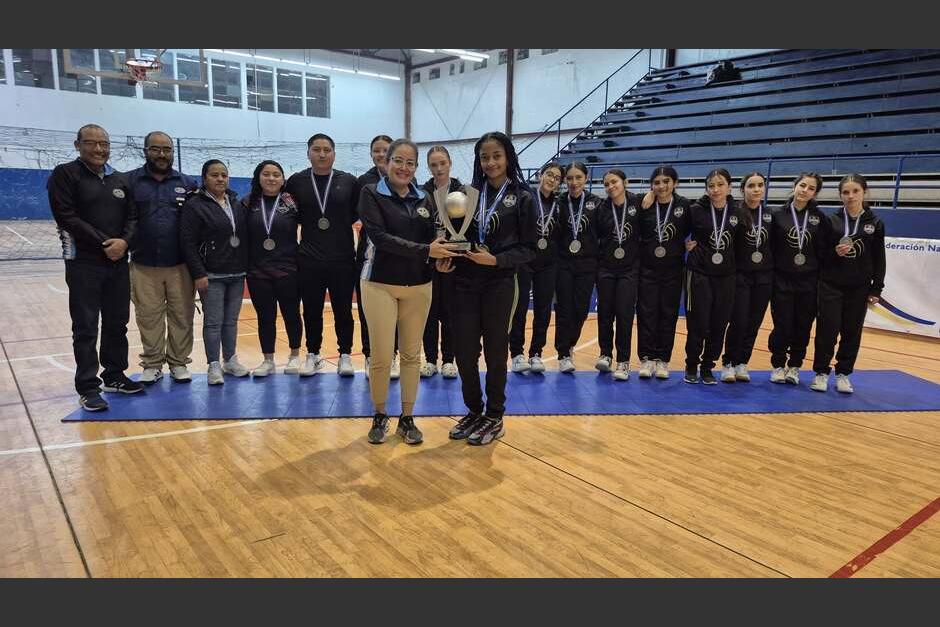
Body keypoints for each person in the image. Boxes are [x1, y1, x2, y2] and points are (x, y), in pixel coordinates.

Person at [438, 131, 537, 445]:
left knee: (496, 354)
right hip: (464, 283)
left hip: (499, 284)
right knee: (465, 353)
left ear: (507, 157)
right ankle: (474, 410)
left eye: (497, 155)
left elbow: (531, 249)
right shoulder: (466, 194)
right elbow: (456, 235)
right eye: (485, 157)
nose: (491, 162)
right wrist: (446, 256)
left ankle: (495, 415)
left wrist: (495, 260)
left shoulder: (522, 196)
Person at [358, 139, 457, 444]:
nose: (403, 167)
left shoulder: (426, 198)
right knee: (383, 356)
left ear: (416, 168)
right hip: (379, 284)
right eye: (397, 161)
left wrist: (443, 257)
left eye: (410, 163)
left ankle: (407, 417)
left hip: (419, 286)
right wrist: (429, 250)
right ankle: (379, 414)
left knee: (413, 355)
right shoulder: (371, 193)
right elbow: (380, 237)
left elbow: (435, 237)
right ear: (386, 163)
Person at [47, 123, 143, 411]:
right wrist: (106, 244)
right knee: (86, 327)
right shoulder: (65, 175)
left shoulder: (120, 180)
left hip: (118, 263)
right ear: (78, 145)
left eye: (104, 143)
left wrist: (124, 243)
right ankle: (88, 386)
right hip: (84, 263)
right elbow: (67, 217)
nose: (99, 149)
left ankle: (114, 375)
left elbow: (133, 218)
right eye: (91, 143)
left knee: (117, 323)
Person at [285, 134, 360, 377]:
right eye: (316, 149)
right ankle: (313, 354)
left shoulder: (349, 181)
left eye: (327, 149)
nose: (322, 154)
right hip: (309, 259)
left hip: (342, 258)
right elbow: (289, 215)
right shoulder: (295, 182)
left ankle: (345, 355)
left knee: (343, 310)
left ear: (334, 154)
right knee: (312, 310)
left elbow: (355, 214)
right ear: (308, 153)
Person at [127, 131, 198, 385]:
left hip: (180, 264)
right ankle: (153, 364)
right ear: (146, 150)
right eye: (156, 149)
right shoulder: (130, 182)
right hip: (143, 262)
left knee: (182, 315)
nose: (161, 154)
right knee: (149, 316)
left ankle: (179, 363)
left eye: (166, 149)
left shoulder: (188, 184)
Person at [810, 174, 886, 394]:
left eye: (855, 191)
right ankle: (821, 373)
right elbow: (820, 254)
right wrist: (834, 252)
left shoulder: (875, 223)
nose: (851, 196)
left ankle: (843, 373)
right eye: (846, 192)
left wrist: (876, 288)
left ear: (865, 192)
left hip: (859, 287)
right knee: (827, 329)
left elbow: (879, 259)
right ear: (840, 195)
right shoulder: (831, 221)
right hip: (830, 285)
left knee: (852, 331)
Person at [179, 160, 248, 385]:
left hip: (236, 273)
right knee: (213, 322)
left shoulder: (235, 202)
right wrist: (199, 273)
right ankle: (213, 365)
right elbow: (188, 243)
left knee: (231, 321)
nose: (220, 179)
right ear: (204, 178)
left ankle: (230, 360)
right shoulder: (195, 205)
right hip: (211, 274)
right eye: (215, 175)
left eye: (224, 175)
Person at [682, 168, 748, 384]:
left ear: (729, 187)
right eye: (711, 185)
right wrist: (685, 244)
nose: (716, 189)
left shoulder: (739, 212)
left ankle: (708, 366)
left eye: (720, 184)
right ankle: (691, 364)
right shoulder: (695, 210)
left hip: (726, 276)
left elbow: (741, 247)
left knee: (719, 323)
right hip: (699, 273)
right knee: (697, 323)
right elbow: (676, 231)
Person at [240, 160, 302, 377]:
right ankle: (268, 360)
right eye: (266, 174)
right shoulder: (248, 203)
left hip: (288, 269)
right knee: (265, 317)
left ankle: (295, 356)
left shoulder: (291, 202)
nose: (272, 178)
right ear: (258, 177)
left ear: (283, 179)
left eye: (276, 174)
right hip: (258, 272)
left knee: (291, 315)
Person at [767, 172, 830, 385]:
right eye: (802, 185)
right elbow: (770, 248)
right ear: (795, 186)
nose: (805, 191)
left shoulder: (820, 219)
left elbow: (823, 251)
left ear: (815, 193)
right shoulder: (778, 215)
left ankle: (794, 366)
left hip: (809, 282)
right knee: (782, 324)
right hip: (782, 280)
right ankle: (777, 365)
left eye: (811, 188)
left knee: (803, 325)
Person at [636, 166, 692, 379]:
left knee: (668, 315)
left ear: (675, 183)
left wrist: (692, 244)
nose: (661, 186)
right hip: (647, 269)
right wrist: (648, 194)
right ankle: (646, 358)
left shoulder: (684, 206)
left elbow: (696, 226)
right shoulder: (644, 204)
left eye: (666, 181)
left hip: (673, 270)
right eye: (657, 182)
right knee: (647, 314)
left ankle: (662, 360)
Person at [509, 162, 562, 374]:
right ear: (540, 174)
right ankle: (517, 354)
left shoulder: (560, 204)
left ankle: (536, 353)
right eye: (549, 174)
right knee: (520, 309)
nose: (552, 180)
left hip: (548, 264)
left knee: (543, 310)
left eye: (557, 178)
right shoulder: (527, 196)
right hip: (524, 262)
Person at [720, 172, 773, 383]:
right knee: (739, 321)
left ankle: (743, 362)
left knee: (753, 322)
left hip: (763, 278)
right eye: (751, 185)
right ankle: (728, 363)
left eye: (760, 185)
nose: (757, 189)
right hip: (740, 276)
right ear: (743, 189)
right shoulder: (734, 213)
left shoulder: (770, 215)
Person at [355, 134, 400, 380]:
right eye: (376, 151)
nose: (381, 155)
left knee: (393, 312)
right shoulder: (363, 182)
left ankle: (391, 356)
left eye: (385, 151)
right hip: (369, 257)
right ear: (371, 154)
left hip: (397, 257)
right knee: (368, 312)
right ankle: (371, 357)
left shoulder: (405, 180)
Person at [419, 145, 463, 379]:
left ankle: (448, 360)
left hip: (454, 262)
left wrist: (452, 252)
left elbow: (468, 229)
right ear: (429, 167)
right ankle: (429, 360)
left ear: (450, 163)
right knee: (429, 313)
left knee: (450, 312)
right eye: (434, 165)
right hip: (429, 261)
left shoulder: (462, 191)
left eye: (442, 163)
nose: (438, 169)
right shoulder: (421, 192)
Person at [554, 162, 601, 373]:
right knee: (564, 309)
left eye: (578, 178)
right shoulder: (559, 202)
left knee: (581, 310)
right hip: (563, 263)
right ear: (565, 180)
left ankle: (570, 344)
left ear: (586, 178)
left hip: (587, 264)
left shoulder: (596, 203)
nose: (574, 183)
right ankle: (563, 353)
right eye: (570, 178)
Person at [594, 169, 642, 381]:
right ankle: (605, 354)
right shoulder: (601, 209)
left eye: (614, 182)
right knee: (605, 313)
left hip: (629, 269)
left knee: (624, 315)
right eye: (606, 184)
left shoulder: (638, 203)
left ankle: (623, 360)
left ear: (625, 182)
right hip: (605, 268)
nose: (611, 186)